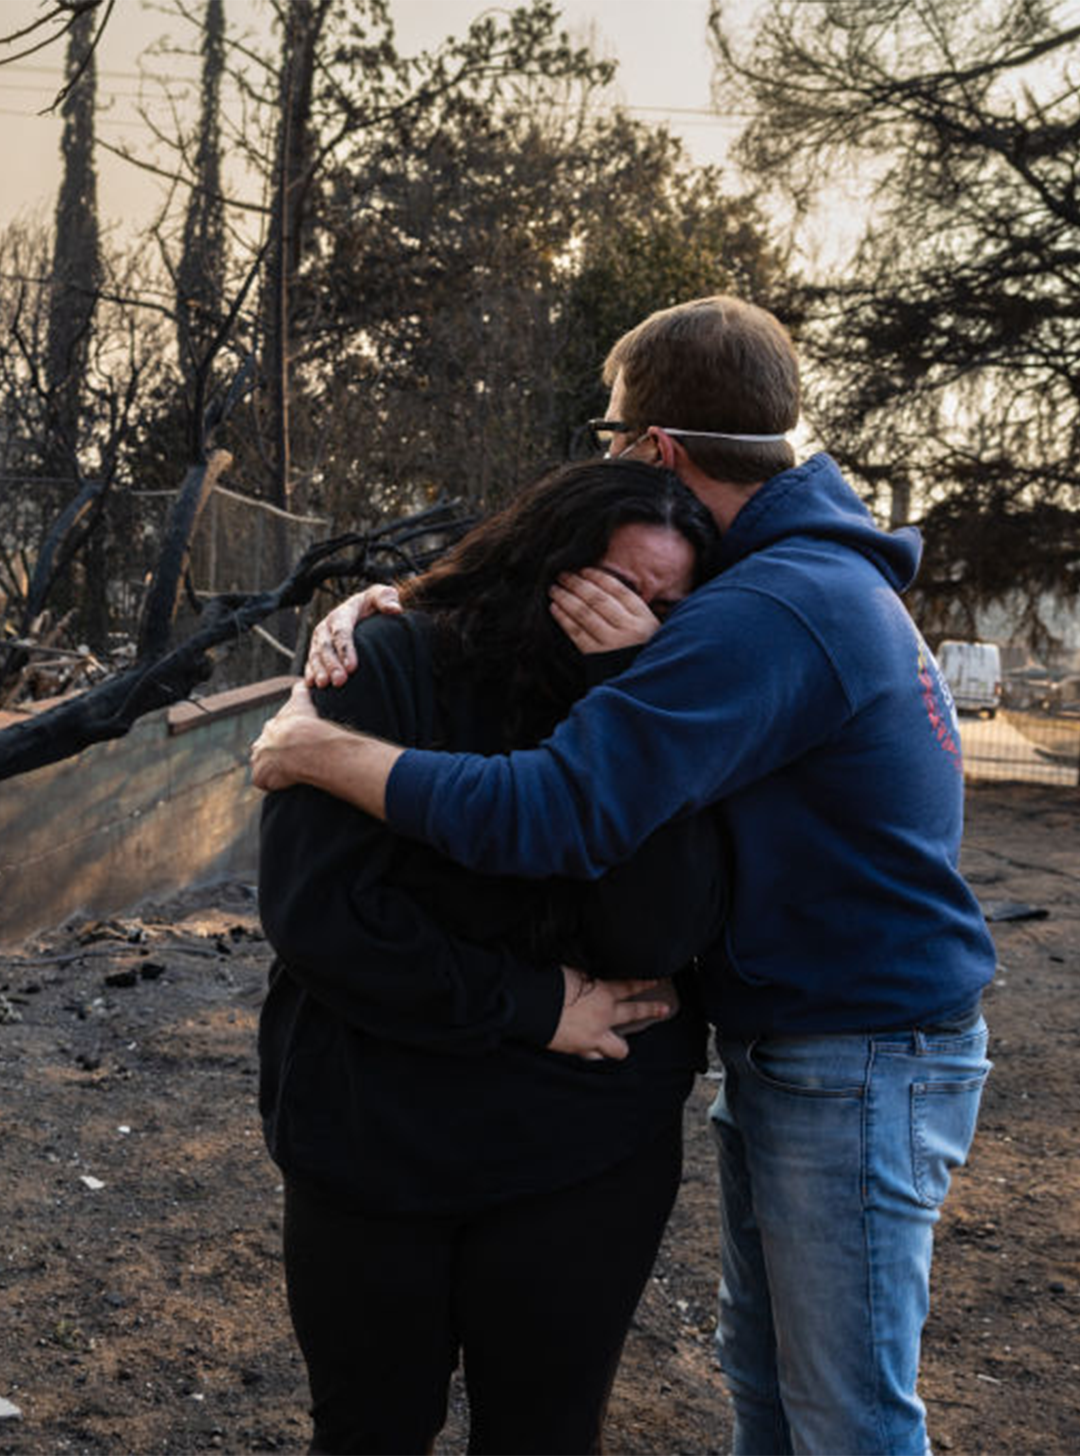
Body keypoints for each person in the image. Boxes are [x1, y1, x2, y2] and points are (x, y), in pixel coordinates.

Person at [253, 293, 997, 1456]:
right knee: (779, 1384)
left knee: (845, 1416)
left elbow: (559, 809)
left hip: (855, 1052)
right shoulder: (794, 577)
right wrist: (395, 604)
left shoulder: (770, 606)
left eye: (609, 434)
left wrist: (320, 750)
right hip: (827, 1041)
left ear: (654, 446)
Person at [255, 458, 728, 1456]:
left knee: (546, 1435)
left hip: (581, 1146)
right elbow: (321, 915)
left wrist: (626, 688)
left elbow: (650, 934)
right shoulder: (387, 661)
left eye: (661, 604)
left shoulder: (664, 700)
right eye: (608, 586)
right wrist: (529, 1001)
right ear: (540, 560)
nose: (628, 615)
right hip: (375, 1131)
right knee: (368, 1430)